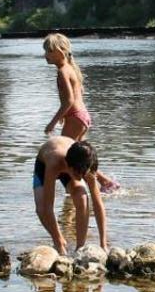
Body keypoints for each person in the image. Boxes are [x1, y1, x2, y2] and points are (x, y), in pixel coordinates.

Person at [42, 33, 119, 193]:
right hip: (81, 117)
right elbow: (79, 93)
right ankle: (106, 183)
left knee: (66, 158)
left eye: (49, 51)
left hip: (76, 118)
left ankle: (76, 191)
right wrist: (66, 115)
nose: (45, 55)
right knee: (80, 159)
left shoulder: (63, 71)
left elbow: (69, 100)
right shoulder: (70, 68)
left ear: (60, 51)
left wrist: (53, 122)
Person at [32, 135, 108, 255]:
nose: (80, 177)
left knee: (82, 198)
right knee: (41, 209)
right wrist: (58, 240)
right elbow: (48, 207)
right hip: (44, 163)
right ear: (69, 166)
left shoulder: (88, 167)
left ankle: (80, 247)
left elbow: (98, 205)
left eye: (83, 174)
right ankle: (59, 241)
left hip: (75, 159)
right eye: (77, 173)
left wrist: (103, 244)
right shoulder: (54, 162)